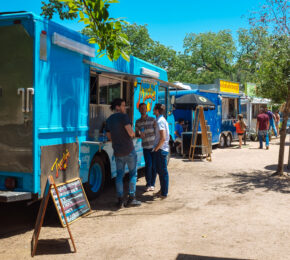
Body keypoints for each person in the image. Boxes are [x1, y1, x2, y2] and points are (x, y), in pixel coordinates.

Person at [105, 98, 141, 208]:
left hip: (118, 152)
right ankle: (131, 199)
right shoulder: (124, 117)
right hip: (129, 151)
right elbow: (131, 133)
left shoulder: (109, 119)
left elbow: (109, 136)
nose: (124, 108)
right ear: (117, 107)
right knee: (133, 174)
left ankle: (120, 200)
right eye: (123, 105)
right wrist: (135, 133)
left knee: (119, 175)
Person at [135, 103, 157, 192]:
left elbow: (157, 133)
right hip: (145, 147)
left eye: (144, 108)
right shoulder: (138, 122)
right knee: (148, 165)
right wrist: (139, 134)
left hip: (154, 147)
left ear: (147, 109)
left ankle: (153, 184)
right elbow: (136, 133)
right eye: (141, 108)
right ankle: (148, 184)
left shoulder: (153, 120)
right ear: (139, 110)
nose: (143, 109)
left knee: (154, 166)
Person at [152, 103, 170, 199]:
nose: (153, 110)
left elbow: (162, 138)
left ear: (157, 111)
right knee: (161, 171)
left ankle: (164, 193)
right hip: (161, 149)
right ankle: (162, 191)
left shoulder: (160, 122)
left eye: (154, 109)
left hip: (161, 150)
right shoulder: (160, 120)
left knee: (163, 172)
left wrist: (156, 149)